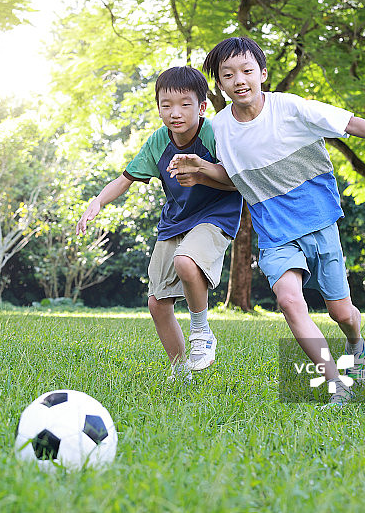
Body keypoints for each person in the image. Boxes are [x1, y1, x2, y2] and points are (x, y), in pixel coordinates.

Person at [167, 37, 365, 406]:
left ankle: (356, 342)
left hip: (319, 223)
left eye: (247, 70)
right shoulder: (220, 129)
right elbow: (236, 178)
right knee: (289, 301)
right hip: (275, 234)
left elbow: (350, 123)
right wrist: (201, 171)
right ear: (219, 83)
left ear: (262, 73)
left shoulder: (290, 108)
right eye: (228, 74)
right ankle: (335, 382)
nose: (239, 80)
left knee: (342, 312)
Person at [76, 66, 243, 381]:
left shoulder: (215, 134)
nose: (175, 113)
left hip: (214, 215)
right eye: (166, 105)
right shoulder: (158, 142)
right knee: (157, 303)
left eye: (184, 104)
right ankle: (181, 371)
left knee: (186, 261)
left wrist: (200, 169)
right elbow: (125, 179)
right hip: (176, 220)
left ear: (202, 106)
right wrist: (98, 201)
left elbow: (237, 180)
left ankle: (201, 332)